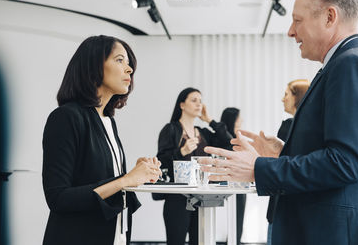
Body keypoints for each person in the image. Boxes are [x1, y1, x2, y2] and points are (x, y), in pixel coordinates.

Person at [199, 0, 358, 244]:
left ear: (329, 17)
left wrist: (259, 168)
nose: (291, 31)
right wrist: (283, 152)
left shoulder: (351, 65)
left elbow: (346, 163)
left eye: (297, 21)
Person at [42, 35, 162, 245]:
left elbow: (106, 183)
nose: (129, 69)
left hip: (114, 235)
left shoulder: (107, 120)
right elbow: (59, 198)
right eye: (119, 60)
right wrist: (125, 180)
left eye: (129, 63)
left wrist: (136, 174)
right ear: (94, 66)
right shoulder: (65, 117)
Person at [156, 87, 232, 245]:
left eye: (200, 100)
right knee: (175, 241)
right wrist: (181, 151)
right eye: (194, 100)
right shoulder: (171, 129)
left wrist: (210, 120)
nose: (199, 104)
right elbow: (160, 161)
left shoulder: (203, 132)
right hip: (178, 197)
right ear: (182, 105)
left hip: (202, 196)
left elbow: (229, 143)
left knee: (200, 242)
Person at [219, 107, 246, 245]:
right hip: (225, 184)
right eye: (239, 118)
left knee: (238, 220)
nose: (241, 120)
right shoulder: (225, 137)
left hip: (240, 184)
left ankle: (236, 241)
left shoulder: (238, 138)